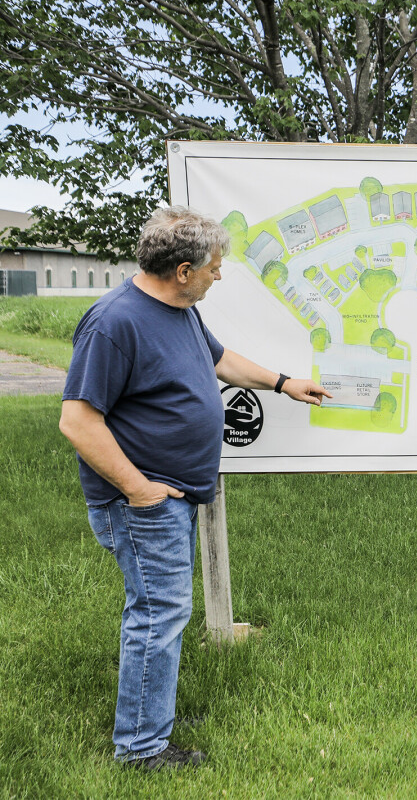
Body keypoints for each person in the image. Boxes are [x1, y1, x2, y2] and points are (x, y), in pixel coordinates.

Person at [59, 205, 331, 770]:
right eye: (214, 267)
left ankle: (148, 715)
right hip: (145, 503)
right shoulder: (114, 323)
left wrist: (284, 383)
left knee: (165, 613)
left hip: (172, 497)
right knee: (158, 615)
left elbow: (222, 361)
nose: (220, 275)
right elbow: (78, 421)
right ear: (183, 269)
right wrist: (139, 490)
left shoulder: (179, 309)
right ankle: (140, 748)